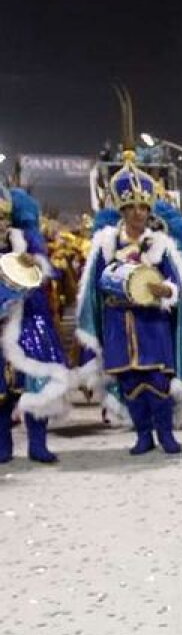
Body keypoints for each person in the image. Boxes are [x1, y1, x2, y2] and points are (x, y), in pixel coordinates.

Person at [76, 87, 182, 455]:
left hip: (153, 324)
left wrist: (166, 292)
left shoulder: (161, 245)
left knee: (158, 380)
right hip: (119, 323)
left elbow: (177, 286)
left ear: (149, 211)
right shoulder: (105, 243)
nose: (137, 214)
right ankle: (142, 434)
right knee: (130, 382)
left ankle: (165, 433)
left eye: (142, 209)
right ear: (121, 210)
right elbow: (94, 289)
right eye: (131, 208)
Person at [0, 181, 71, 463]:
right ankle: (3, 446)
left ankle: (37, 444)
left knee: (36, 382)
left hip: (27, 321)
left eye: (4, 218)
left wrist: (34, 264)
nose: (1, 224)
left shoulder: (24, 240)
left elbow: (45, 272)